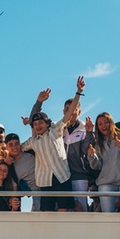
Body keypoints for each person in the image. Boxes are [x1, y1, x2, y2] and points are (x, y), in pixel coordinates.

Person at [21, 76, 85, 212]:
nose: (38, 126)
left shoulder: (56, 130)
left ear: (47, 123)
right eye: (35, 124)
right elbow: (16, 149)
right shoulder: (32, 141)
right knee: (48, 213)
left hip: (62, 176)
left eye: (41, 123)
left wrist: (78, 93)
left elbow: (69, 113)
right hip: (45, 180)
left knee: (64, 211)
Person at [28, 94, 93, 211]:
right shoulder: (54, 128)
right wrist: (39, 102)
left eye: (72, 109)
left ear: (79, 111)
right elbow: (34, 121)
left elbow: (88, 152)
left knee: (79, 209)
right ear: (63, 110)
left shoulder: (84, 129)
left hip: (76, 176)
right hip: (58, 176)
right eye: (67, 109)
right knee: (54, 211)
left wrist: (79, 92)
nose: (70, 112)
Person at [86, 111, 120, 213]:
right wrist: (92, 156)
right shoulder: (98, 143)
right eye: (100, 124)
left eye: (106, 122)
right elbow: (96, 166)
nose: (104, 126)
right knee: (108, 215)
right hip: (106, 183)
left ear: (111, 122)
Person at [4, 133, 40, 211]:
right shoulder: (10, 166)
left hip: (47, 183)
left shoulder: (30, 152)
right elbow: (14, 187)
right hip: (35, 191)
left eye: (16, 143)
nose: (14, 147)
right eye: (11, 145)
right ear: (6, 147)